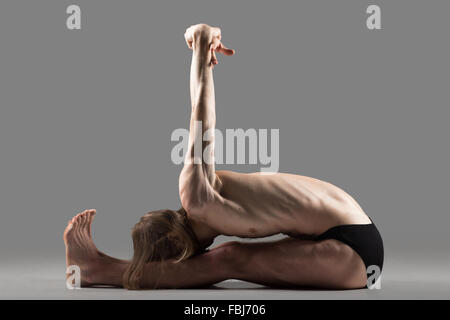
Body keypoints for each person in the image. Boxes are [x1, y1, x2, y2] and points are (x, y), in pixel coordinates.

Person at [63, 24, 383, 290]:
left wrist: (201, 44)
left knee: (227, 258)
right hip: (350, 234)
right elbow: (204, 119)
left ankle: (99, 270)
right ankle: (100, 267)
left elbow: (201, 118)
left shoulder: (198, 199)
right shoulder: (208, 197)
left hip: (353, 252)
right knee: (229, 254)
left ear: (179, 252)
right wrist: (202, 55)